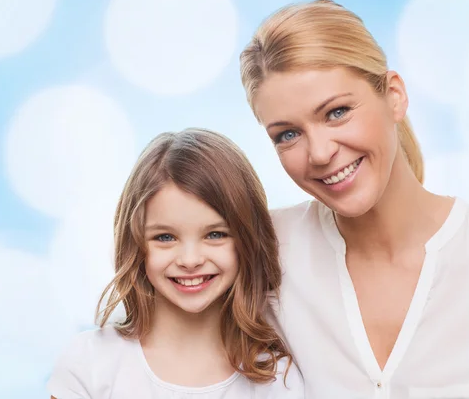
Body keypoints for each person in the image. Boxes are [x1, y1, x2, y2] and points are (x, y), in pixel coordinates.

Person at [239, 0, 469, 398]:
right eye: (287, 134)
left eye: (336, 112)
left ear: (394, 96)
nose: (320, 152)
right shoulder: (264, 254)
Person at [47, 128, 305, 398]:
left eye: (215, 234)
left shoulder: (277, 379)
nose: (190, 260)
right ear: (135, 244)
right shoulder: (90, 363)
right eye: (165, 237)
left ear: (247, 240)